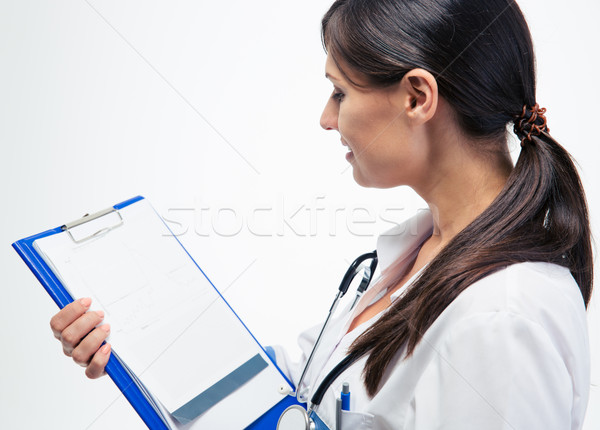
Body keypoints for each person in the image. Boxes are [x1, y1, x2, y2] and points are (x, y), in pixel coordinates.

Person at [49, 0, 593, 428]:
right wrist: (140, 348)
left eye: (339, 92)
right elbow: (300, 383)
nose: (326, 119)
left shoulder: (504, 316)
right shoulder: (419, 252)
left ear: (417, 97)